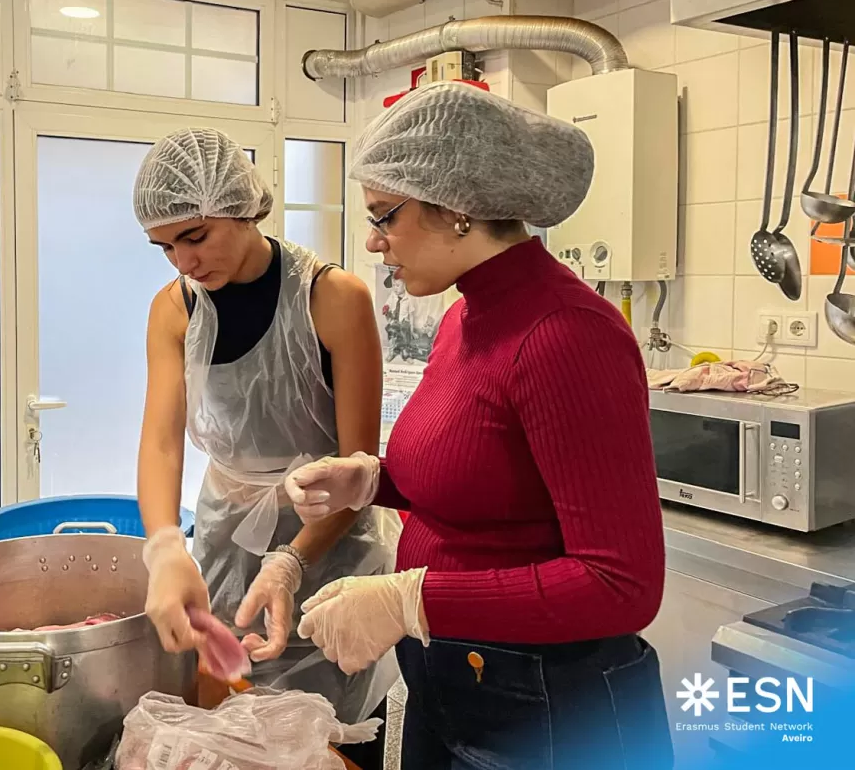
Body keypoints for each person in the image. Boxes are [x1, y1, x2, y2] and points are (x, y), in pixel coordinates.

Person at [286, 82, 674, 769]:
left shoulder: (567, 335)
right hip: (461, 682)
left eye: (385, 216)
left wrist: (410, 599)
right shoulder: (465, 315)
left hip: (549, 709)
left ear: (457, 208)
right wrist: (373, 480)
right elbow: (484, 478)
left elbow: (622, 583)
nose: (373, 242)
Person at [132, 128, 400, 765]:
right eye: (164, 246)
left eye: (194, 236)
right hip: (226, 539)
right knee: (236, 723)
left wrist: (291, 561)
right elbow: (163, 441)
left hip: (328, 546)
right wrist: (166, 545)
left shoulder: (331, 298)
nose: (183, 263)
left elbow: (360, 468)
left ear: (244, 206)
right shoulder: (175, 309)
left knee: (330, 736)